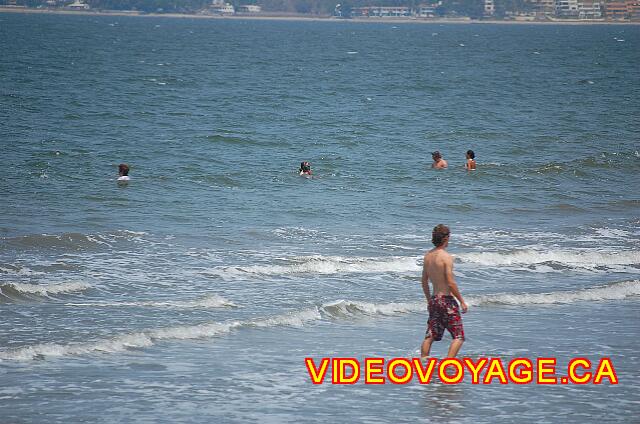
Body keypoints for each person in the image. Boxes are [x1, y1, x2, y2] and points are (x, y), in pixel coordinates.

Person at [420, 224, 468, 358]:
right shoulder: (446, 257)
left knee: (430, 336)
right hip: (446, 300)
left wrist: (429, 299)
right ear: (446, 238)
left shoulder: (428, 256)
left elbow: (424, 280)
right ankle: (448, 362)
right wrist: (462, 301)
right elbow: (451, 283)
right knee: (458, 336)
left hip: (435, 300)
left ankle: (423, 363)